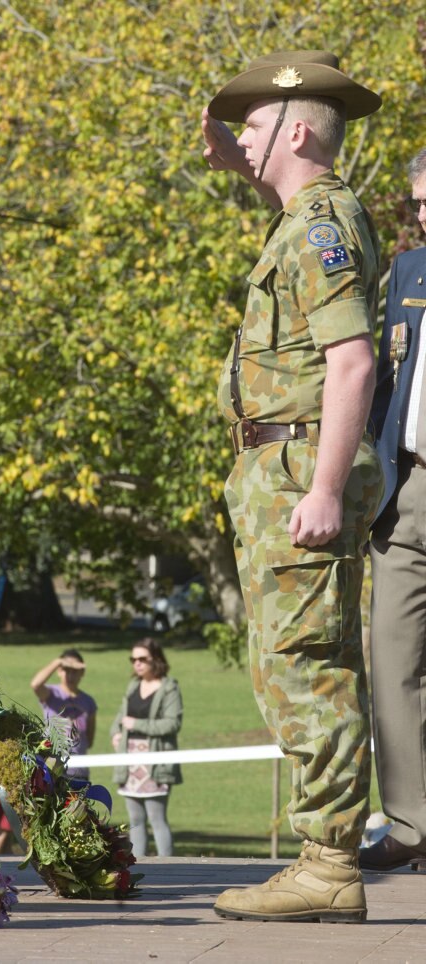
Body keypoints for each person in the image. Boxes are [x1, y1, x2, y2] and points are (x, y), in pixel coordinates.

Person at [201, 51, 384, 922]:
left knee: (308, 664)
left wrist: (325, 486)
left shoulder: (321, 225)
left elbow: (352, 363)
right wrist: (244, 162)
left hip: (300, 465)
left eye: (256, 125)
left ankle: (326, 861)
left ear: (298, 130)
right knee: (292, 659)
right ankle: (326, 858)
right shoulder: (301, 218)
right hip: (277, 466)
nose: (242, 137)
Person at [360, 148, 426, 873]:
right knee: (394, 663)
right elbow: (386, 381)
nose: (423, 214)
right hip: (407, 489)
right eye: (417, 204)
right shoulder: (408, 270)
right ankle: (410, 825)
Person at [110, 638, 182, 857]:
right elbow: (121, 717)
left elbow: (173, 723)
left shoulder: (169, 688)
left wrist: (137, 724)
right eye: (133, 659)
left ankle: (168, 868)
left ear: (156, 660)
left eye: (143, 659)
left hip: (155, 762)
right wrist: (115, 733)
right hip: (129, 761)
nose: (137, 664)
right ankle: (139, 867)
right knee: (135, 821)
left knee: (157, 819)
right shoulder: (133, 686)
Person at [30, 649, 97, 784]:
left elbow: (89, 740)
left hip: (79, 771)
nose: (70, 675)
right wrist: (59, 661)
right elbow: (35, 684)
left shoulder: (88, 702)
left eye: (75, 671)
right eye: (67, 670)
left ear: (82, 672)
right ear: (59, 671)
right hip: (52, 771)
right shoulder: (52, 694)